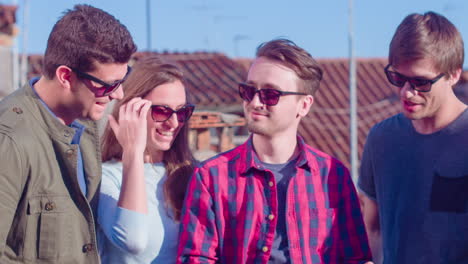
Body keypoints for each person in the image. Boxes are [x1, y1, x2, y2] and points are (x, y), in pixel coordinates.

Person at [177, 39, 372, 264]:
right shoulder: (211, 178)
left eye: (271, 95)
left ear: (304, 105)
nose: (256, 102)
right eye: (249, 91)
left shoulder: (333, 176)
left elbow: (355, 258)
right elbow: (196, 259)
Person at [0, 4, 136, 263]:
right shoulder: (9, 140)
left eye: (123, 80)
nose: (118, 94)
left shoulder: (84, 131)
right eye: (108, 85)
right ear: (65, 76)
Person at [358, 11, 468, 264]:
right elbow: (373, 228)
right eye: (398, 78)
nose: (407, 92)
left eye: (421, 82)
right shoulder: (381, 139)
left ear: (453, 74)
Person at [98, 55, 196, 264]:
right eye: (161, 111)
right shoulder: (105, 177)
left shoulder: (194, 175)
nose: (173, 123)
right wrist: (132, 153)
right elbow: (133, 240)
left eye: (182, 111)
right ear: (130, 111)